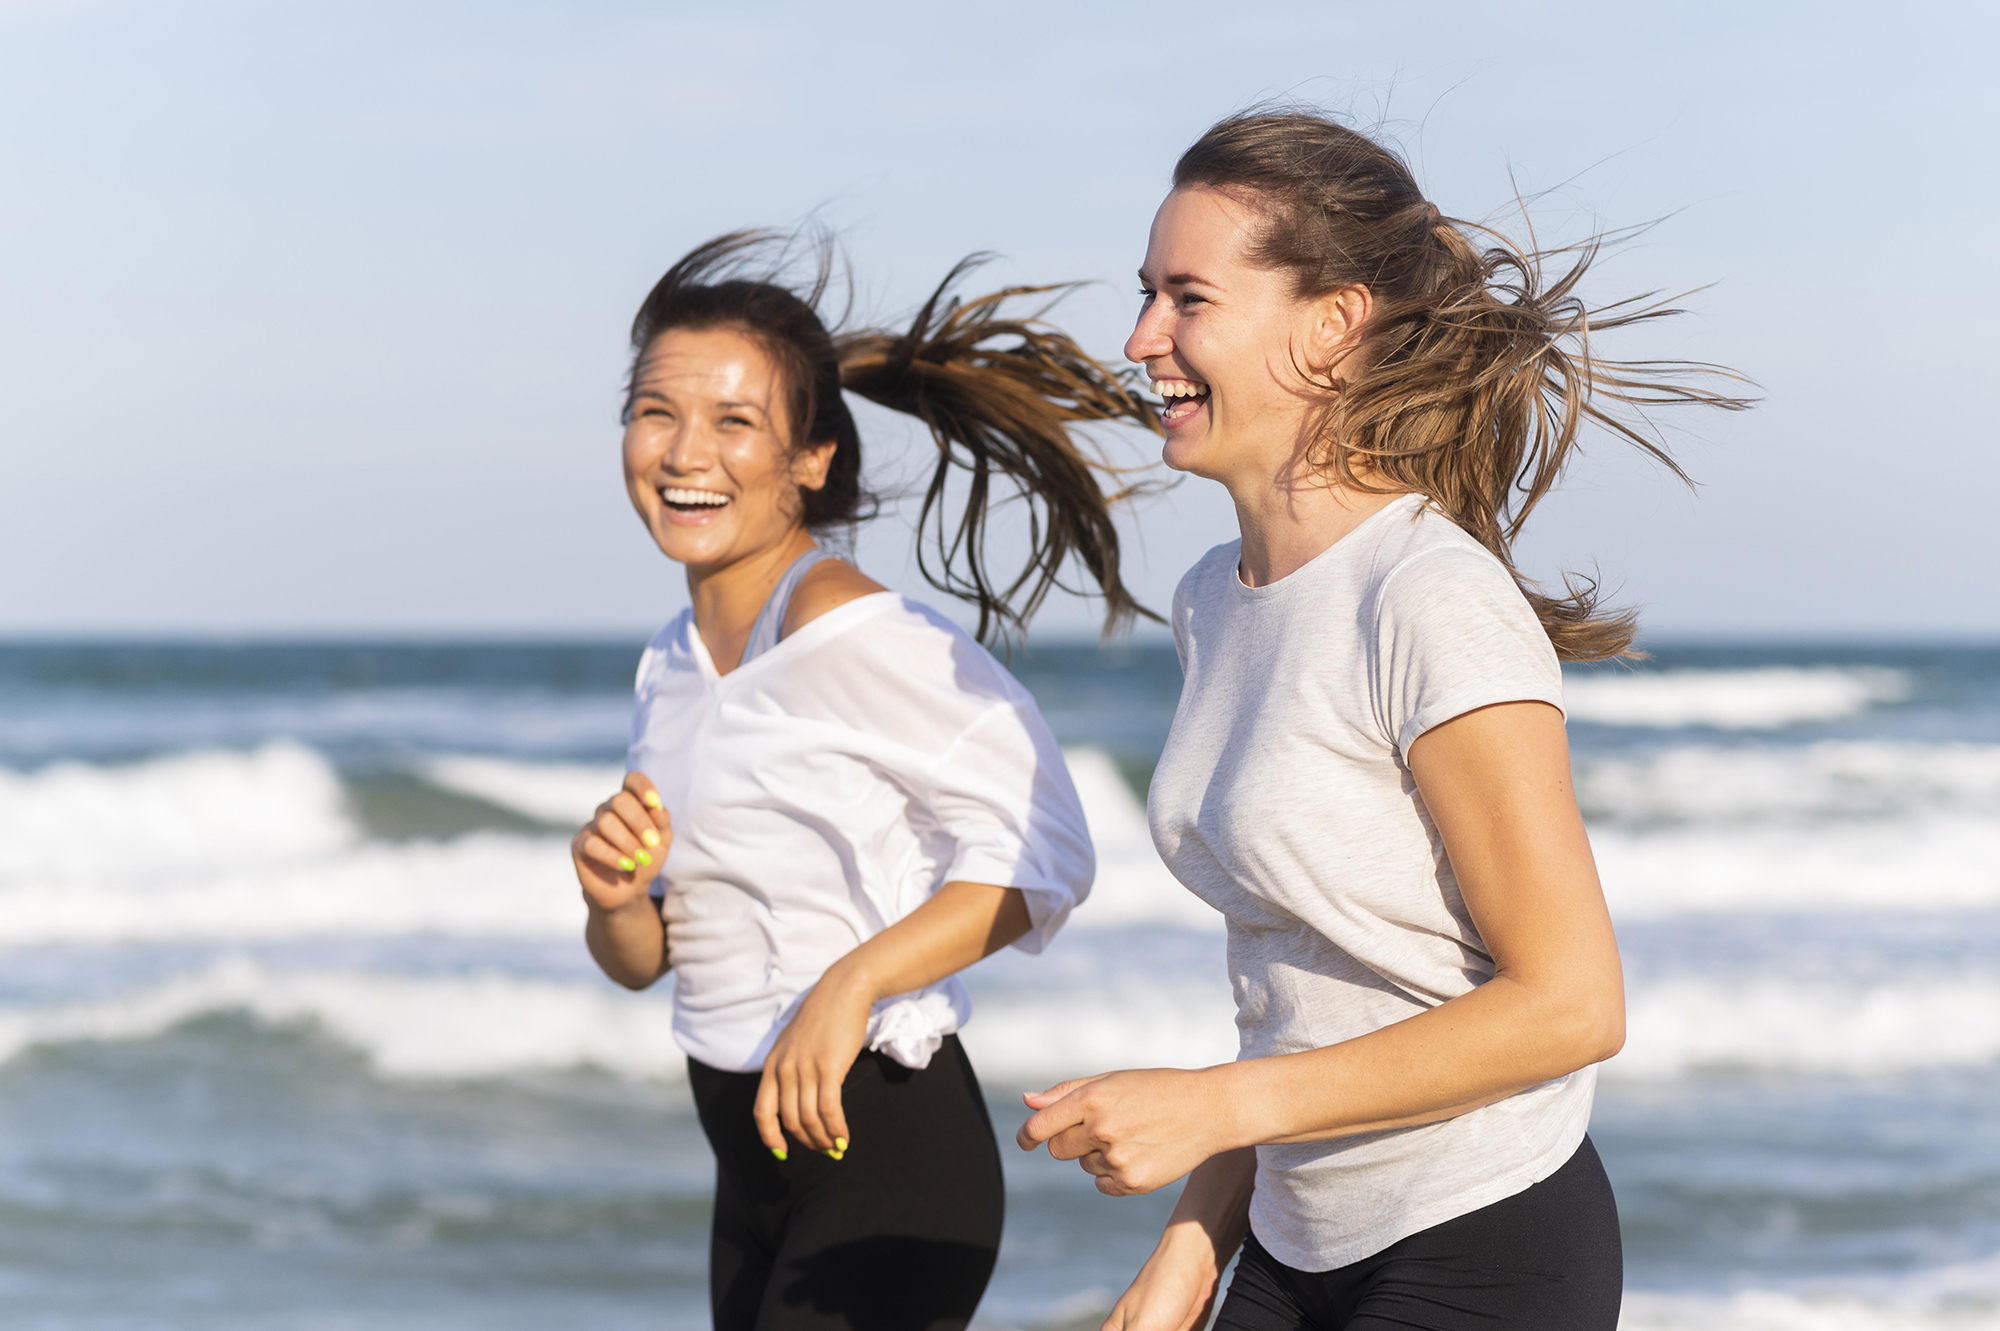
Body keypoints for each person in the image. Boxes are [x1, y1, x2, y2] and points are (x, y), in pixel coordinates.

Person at [1015, 110, 1749, 1331]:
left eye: (1186, 298)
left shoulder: (1427, 597)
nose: (1141, 338)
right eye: (1145, 294)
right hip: (1293, 1238)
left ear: (1331, 324)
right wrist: (1191, 1246)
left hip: (1481, 1240)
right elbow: (1297, 979)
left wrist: (1210, 1103)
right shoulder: (1213, 596)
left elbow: (1572, 1002)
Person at [569, 231, 1158, 1331]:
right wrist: (610, 899)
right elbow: (647, 960)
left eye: (734, 421)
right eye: (656, 411)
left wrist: (850, 983)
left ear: (810, 461)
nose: (683, 450)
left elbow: (1049, 853)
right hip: (745, 1170)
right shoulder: (671, 661)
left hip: (883, 1151)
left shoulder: (852, 630)